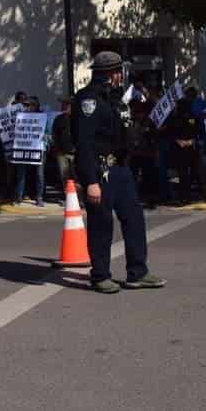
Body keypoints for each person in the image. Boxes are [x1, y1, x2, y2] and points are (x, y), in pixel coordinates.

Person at [74, 51, 166, 293]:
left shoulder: (115, 98)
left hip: (122, 169)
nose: (120, 76)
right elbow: (83, 143)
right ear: (109, 73)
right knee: (102, 225)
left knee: (134, 219)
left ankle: (138, 272)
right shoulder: (89, 100)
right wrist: (90, 181)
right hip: (101, 170)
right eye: (118, 72)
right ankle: (101, 275)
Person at [13, 97, 46, 207]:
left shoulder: (43, 117)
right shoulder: (21, 117)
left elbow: (48, 133)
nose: (27, 107)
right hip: (23, 148)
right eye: (26, 105)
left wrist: (45, 138)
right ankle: (19, 196)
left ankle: (39, 197)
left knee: (39, 174)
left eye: (29, 105)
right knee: (21, 174)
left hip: (39, 150)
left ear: (35, 106)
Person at [51, 97, 76, 188]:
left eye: (66, 104)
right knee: (64, 177)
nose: (63, 106)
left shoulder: (77, 118)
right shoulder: (58, 119)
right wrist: (57, 150)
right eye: (63, 104)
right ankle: (67, 196)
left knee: (76, 176)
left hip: (75, 153)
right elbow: (54, 135)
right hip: (61, 153)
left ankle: (79, 198)